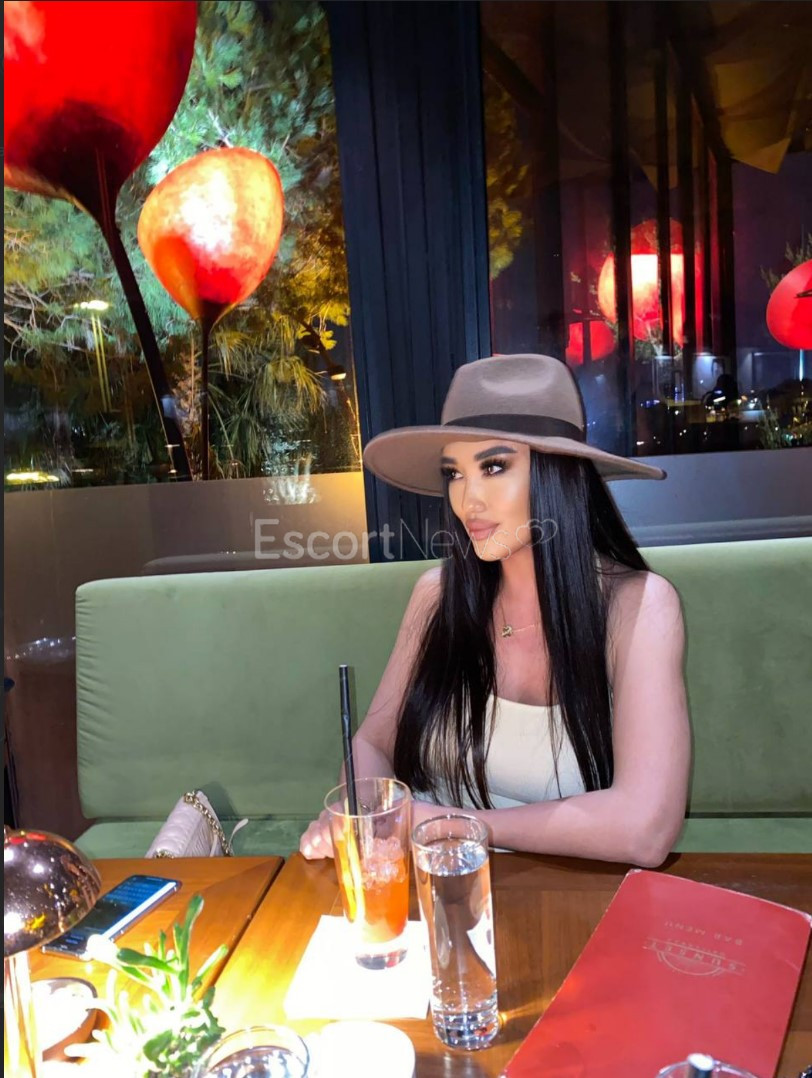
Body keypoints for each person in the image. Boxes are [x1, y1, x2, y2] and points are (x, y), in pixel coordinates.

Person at [300, 353, 690, 867]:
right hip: (433, 879)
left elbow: (646, 829)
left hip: (568, 889)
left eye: (493, 466)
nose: (469, 501)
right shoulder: (437, 595)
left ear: (556, 472)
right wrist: (369, 812)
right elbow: (372, 742)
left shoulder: (637, 606)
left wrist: (444, 823)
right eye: (454, 473)